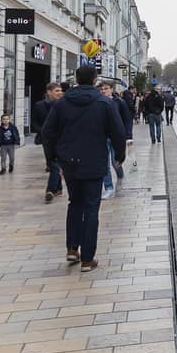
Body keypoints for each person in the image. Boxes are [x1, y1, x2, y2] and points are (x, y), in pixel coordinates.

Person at [41, 64, 127, 271]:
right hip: (94, 161)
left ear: (76, 79)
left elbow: (47, 132)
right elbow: (118, 131)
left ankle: (72, 248)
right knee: (91, 209)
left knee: (74, 203)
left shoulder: (62, 104)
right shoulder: (104, 103)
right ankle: (88, 259)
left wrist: (52, 159)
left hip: (69, 162)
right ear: (95, 79)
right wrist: (120, 155)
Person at [31, 83, 64, 203]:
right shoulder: (39, 105)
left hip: (61, 139)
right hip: (47, 140)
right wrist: (43, 131)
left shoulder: (64, 104)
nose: (60, 93)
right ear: (48, 92)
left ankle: (50, 190)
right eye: (57, 91)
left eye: (60, 90)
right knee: (52, 164)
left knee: (55, 165)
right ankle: (58, 188)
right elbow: (34, 122)